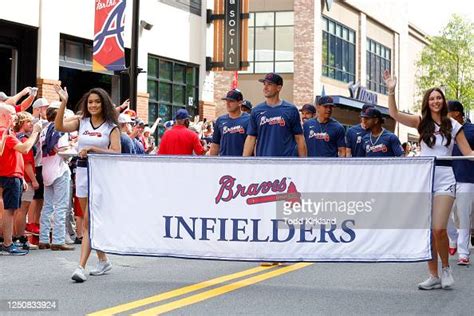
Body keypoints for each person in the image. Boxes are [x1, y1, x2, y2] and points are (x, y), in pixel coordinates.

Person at [384, 70, 474, 290]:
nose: (436, 101)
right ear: (427, 102)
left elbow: (468, 152)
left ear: (443, 101)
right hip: (424, 179)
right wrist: (391, 90)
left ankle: (446, 268)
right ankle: (433, 275)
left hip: (445, 179)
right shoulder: (420, 122)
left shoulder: (452, 124)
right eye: (432, 98)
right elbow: (394, 114)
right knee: (428, 230)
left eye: (439, 98)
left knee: (439, 229)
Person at [54, 86, 121, 282]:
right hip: (82, 172)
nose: (93, 105)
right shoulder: (81, 121)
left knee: (89, 222)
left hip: (102, 175)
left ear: (104, 104)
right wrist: (63, 102)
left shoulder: (111, 127)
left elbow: (117, 152)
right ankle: (103, 260)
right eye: (90, 101)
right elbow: (59, 126)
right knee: (88, 218)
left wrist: (93, 149)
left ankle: (80, 267)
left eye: (97, 102)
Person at [0, 103, 42, 255]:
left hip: (12, 174)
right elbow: (24, 149)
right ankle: (8, 243)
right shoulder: (4, 132)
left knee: (9, 210)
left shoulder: (7, 133)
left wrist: (22, 178)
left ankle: (6, 241)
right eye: (12, 114)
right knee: (10, 211)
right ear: (4, 116)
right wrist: (35, 133)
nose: (15, 117)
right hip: (10, 176)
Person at [243, 73, 307, 158]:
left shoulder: (291, 109)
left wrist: (304, 163)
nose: (265, 88)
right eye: (264, 84)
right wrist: (244, 162)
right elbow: (251, 138)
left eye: (269, 84)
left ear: (278, 88)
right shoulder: (256, 111)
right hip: (264, 162)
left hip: (286, 163)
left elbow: (299, 138)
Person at [38, 105, 74, 251]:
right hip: (59, 169)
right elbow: (62, 151)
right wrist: (73, 146)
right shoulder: (60, 131)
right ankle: (58, 240)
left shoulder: (44, 130)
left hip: (46, 169)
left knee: (47, 206)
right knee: (61, 206)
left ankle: (44, 238)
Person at [446, 100, 474, 266]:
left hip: (467, 177)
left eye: (447, 112)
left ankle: (463, 252)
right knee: (442, 213)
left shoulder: (471, 130)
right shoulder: (443, 130)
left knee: (463, 215)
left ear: (456, 113)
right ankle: (453, 236)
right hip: (446, 176)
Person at [12, 112, 38, 250]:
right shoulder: (23, 140)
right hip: (26, 178)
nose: (31, 124)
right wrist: (33, 180)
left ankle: (16, 236)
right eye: (28, 122)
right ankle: (20, 238)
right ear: (22, 123)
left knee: (17, 210)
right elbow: (27, 162)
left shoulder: (16, 137)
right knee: (23, 210)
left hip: (20, 177)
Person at [210, 89, 250, 156]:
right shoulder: (220, 120)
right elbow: (215, 144)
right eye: (227, 101)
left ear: (240, 103)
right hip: (225, 161)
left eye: (231, 101)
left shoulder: (249, 119)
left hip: (242, 161)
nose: (228, 104)